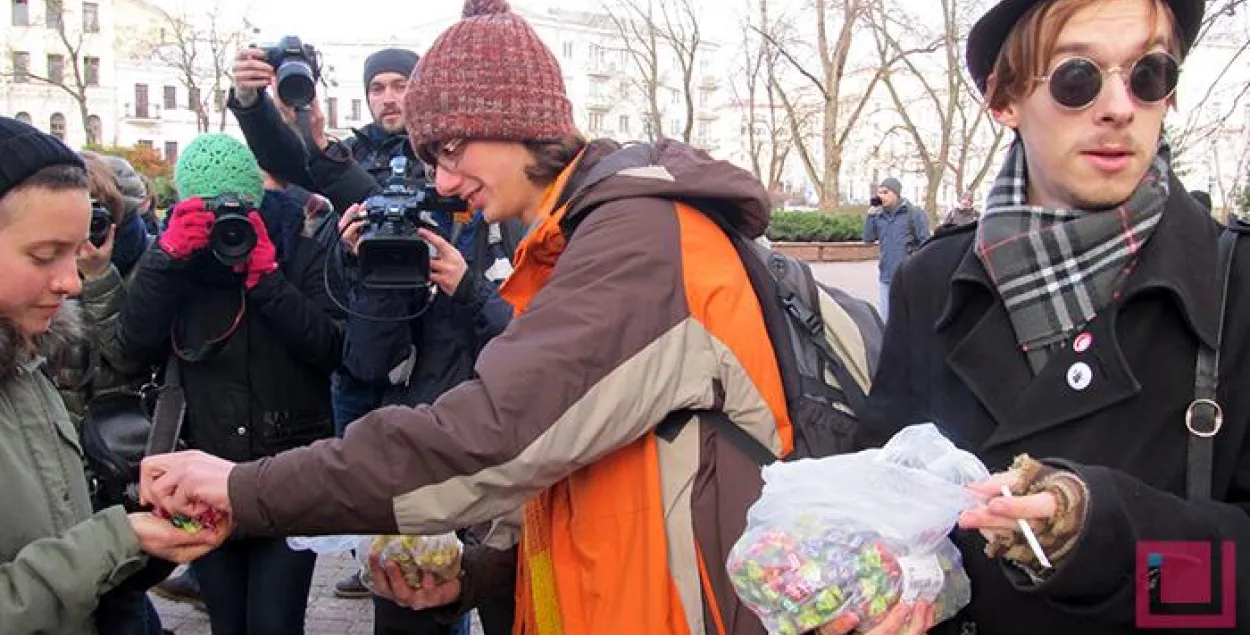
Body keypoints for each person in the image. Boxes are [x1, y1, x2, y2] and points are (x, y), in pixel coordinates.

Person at [137, 1, 930, 634]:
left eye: (451, 149)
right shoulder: (579, 241)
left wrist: (247, 488)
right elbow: (589, 468)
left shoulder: (640, 240)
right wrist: (479, 574)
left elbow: (487, 436)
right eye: (428, 159)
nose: (444, 181)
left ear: (518, 120)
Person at [857, 0, 1250, 633]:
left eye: (1149, 74)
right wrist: (875, 598)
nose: (1120, 107)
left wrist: (1099, 536)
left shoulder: (1236, 286)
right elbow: (880, 500)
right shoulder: (930, 283)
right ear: (1004, 100)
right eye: (1078, 77)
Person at [0, 115, 225, 635]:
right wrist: (116, 540)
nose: (71, 283)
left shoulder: (27, 359)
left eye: (76, 252)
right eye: (44, 255)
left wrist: (143, 541)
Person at [118, 133, 343, 635]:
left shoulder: (298, 243)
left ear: (257, 200)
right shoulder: (176, 259)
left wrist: (267, 280)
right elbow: (132, 346)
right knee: (227, 622)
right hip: (202, 471)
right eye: (211, 209)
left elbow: (330, 348)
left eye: (237, 208)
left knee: (274, 624)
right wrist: (168, 258)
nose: (226, 223)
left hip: (288, 471)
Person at [862, 177, 929, 322]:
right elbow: (868, 239)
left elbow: (926, 243)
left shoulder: (914, 213)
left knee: (910, 320)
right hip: (886, 276)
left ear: (896, 193)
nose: (881, 196)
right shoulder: (878, 215)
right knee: (886, 321)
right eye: (879, 193)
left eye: (885, 192)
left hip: (909, 276)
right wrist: (870, 216)